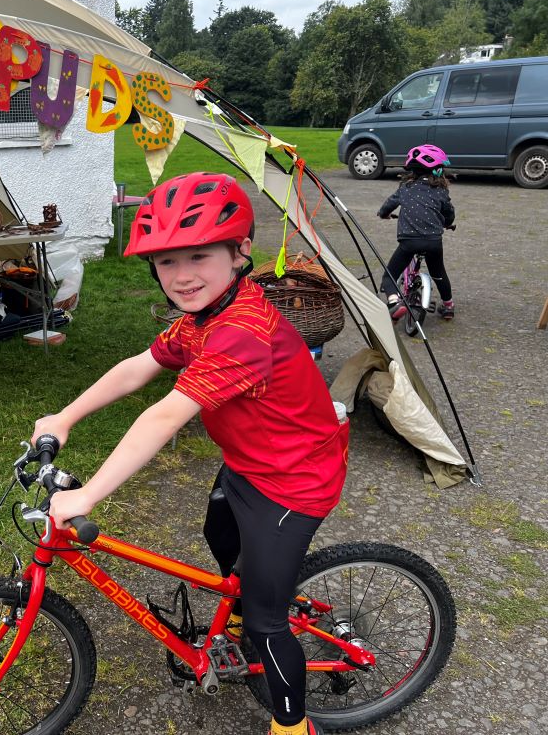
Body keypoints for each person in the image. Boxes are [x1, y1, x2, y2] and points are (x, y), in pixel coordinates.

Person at [32, 173, 348, 735]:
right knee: (220, 534)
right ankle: (245, 603)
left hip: (294, 482)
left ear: (240, 252)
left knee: (267, 622)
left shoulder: (243, 333)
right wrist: (65, 417)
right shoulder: (205, 316)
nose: (181, 276)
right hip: (250, 463)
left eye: (198, 256)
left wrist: (88, 494)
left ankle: (293, 724)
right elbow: (139, 368)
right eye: (166, 262)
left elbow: (163, 416)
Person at [378, 144, 456, 320]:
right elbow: (449, 214)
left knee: (389, 276)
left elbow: (388, 206)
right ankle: (448, 306)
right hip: (433, 242)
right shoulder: (441, 190)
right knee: (439, 273)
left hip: (409, 242)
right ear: (437, 170)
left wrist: (384, 214)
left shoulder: (406, 187)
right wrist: (447, 223)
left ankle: (393, 302)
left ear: (412, 169)